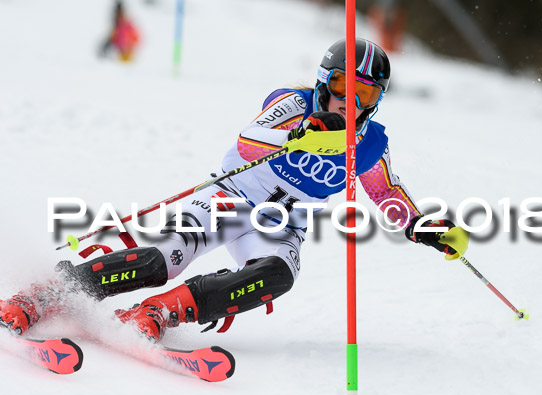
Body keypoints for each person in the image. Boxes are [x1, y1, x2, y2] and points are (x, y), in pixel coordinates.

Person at [0, 39, 469, 341]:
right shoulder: (292, 104)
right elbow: (249, 143)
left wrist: (424, 227)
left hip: (281, 224)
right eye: (344, 83)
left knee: (277, 274)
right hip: (227, 199)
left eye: (364, 94)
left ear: (377, 101)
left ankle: (163, 312)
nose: (350, 99)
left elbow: (389, 195)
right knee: (160, 259)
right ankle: (43, 295)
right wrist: (309, 130)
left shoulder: (370, 144)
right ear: (326, 80)